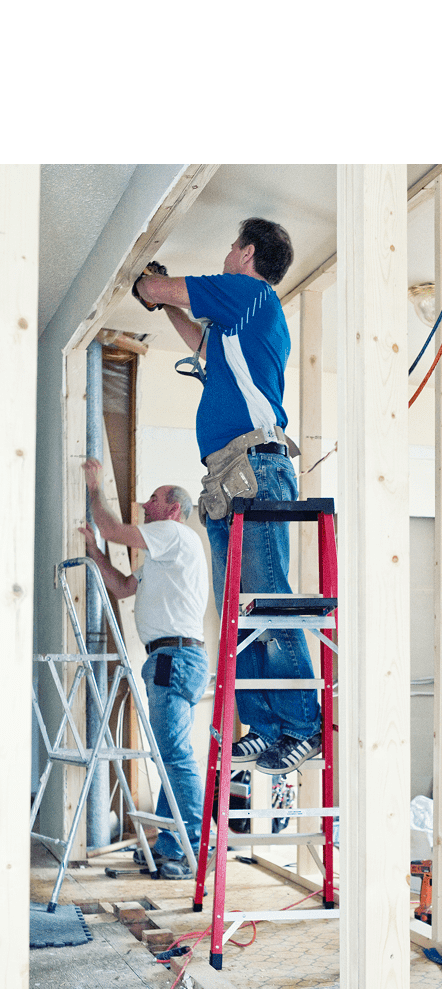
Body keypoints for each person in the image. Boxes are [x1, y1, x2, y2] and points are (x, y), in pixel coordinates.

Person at [133, 218, 323, 776]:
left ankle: (304, 726)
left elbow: (163, 289)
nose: (225, 253)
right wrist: (166, 306)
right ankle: (267, 727)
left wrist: (149, 284)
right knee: (240, 612)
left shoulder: (251, 294)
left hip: (254, 471)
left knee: (267, 603)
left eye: (230, 244)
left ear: (246, 253)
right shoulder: (235, 326)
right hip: (228, 479)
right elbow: (200, 341)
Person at [79, 459, 208, 879]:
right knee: (170, 757)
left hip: (174, 659)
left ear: (173, 509)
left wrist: (95, 489)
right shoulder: (159, 558)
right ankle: (173, 845)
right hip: (170, 659)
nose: (145, 505)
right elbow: (122, 587)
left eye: (153, 499)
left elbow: (115, 529)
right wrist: (96, 554)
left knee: (175, 756)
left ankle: (192, 852)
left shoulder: (173, 534)